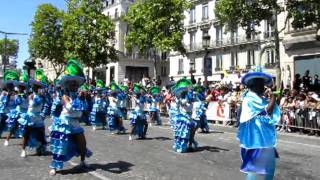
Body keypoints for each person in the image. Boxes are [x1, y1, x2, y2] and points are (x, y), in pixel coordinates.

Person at [49, 59, 92, 175]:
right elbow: (70, 108)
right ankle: (54, 166)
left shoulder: (78, 96)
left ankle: (82, 162)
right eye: (71, 83)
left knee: (83, 143)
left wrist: (85, 99)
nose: (74, 85)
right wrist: (80, 99)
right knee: (60, 146)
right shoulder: (64, 96)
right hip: (64, 123)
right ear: (67, 84)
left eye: (75, 83)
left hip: (75, 123)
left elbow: (83, 111)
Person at [238, 67, 281, 180]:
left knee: (270, 167)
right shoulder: (250, 98)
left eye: (263, 83)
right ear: (253, 85)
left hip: (264, 138)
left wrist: (271, 98)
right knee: (254, 169)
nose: (264, 86)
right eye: (260, 84)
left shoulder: (259, 98)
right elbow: (268, 111)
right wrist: (272, 96)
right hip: (256, 140)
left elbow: (269, 114)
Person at [18, 69, 48, 158]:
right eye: (34, 86)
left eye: (37, 86)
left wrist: (43, 114)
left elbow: (41, 104)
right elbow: (30, 104)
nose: (35, 87)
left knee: (41, 134)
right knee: (26, 134)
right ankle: (23, 150)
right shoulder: (30, 95)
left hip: (38, 117)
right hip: (30, 117)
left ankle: (40, 147)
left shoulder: (42, 96)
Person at [4, 71, 29, 146]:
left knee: (24, 129)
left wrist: (24, 96)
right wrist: (18, 96)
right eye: (20, 87)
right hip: (18, 112)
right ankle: (7, 140)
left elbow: (28, 103)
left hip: (24, 113)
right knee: (13, 127)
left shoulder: (27, 94)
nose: (21, 88)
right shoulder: (17, 95)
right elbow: (16, 103)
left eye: (22, 87)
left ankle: (23, 146)